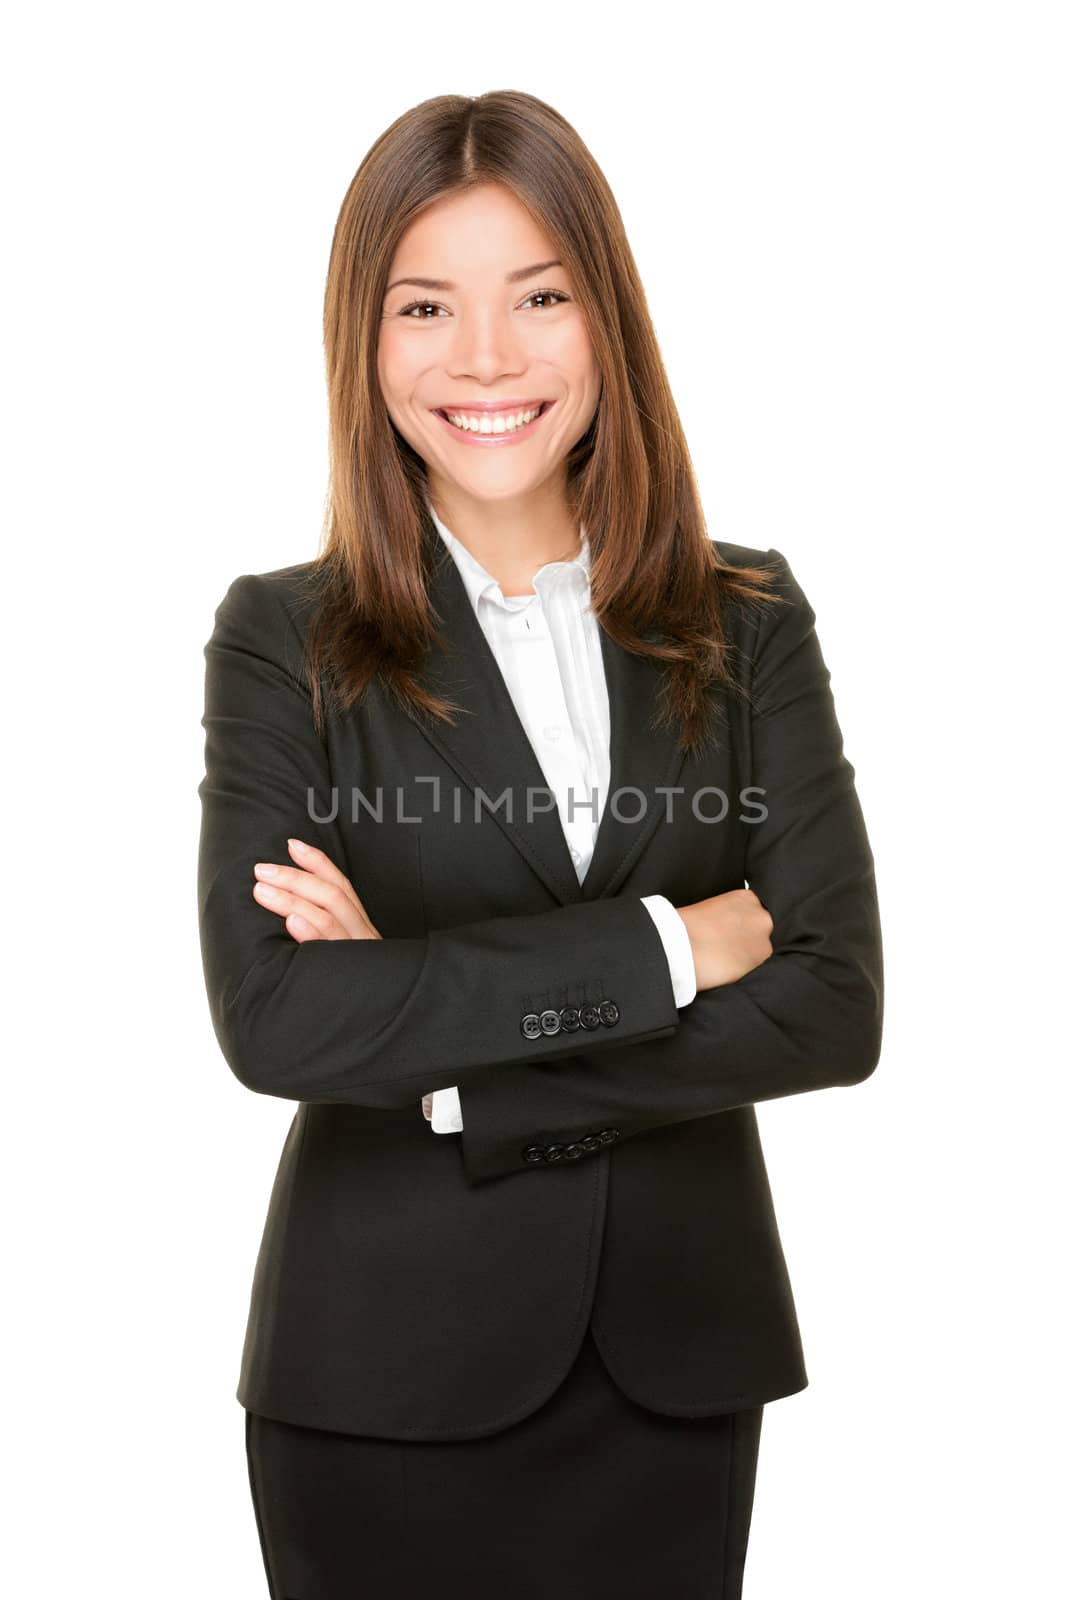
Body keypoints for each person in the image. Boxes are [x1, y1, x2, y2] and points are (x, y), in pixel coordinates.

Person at [197, 89, 883, 1600]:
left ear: (607, 323)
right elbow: (277, 1017)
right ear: (366, 345)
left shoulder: (746, 617)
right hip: (375, 1381)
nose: (487, 359)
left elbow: (834, 1004)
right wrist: (671, 944)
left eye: (541, 297)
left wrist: (447, 1059)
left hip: (675, 1371)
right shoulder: (284, 641)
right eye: (427, 306)